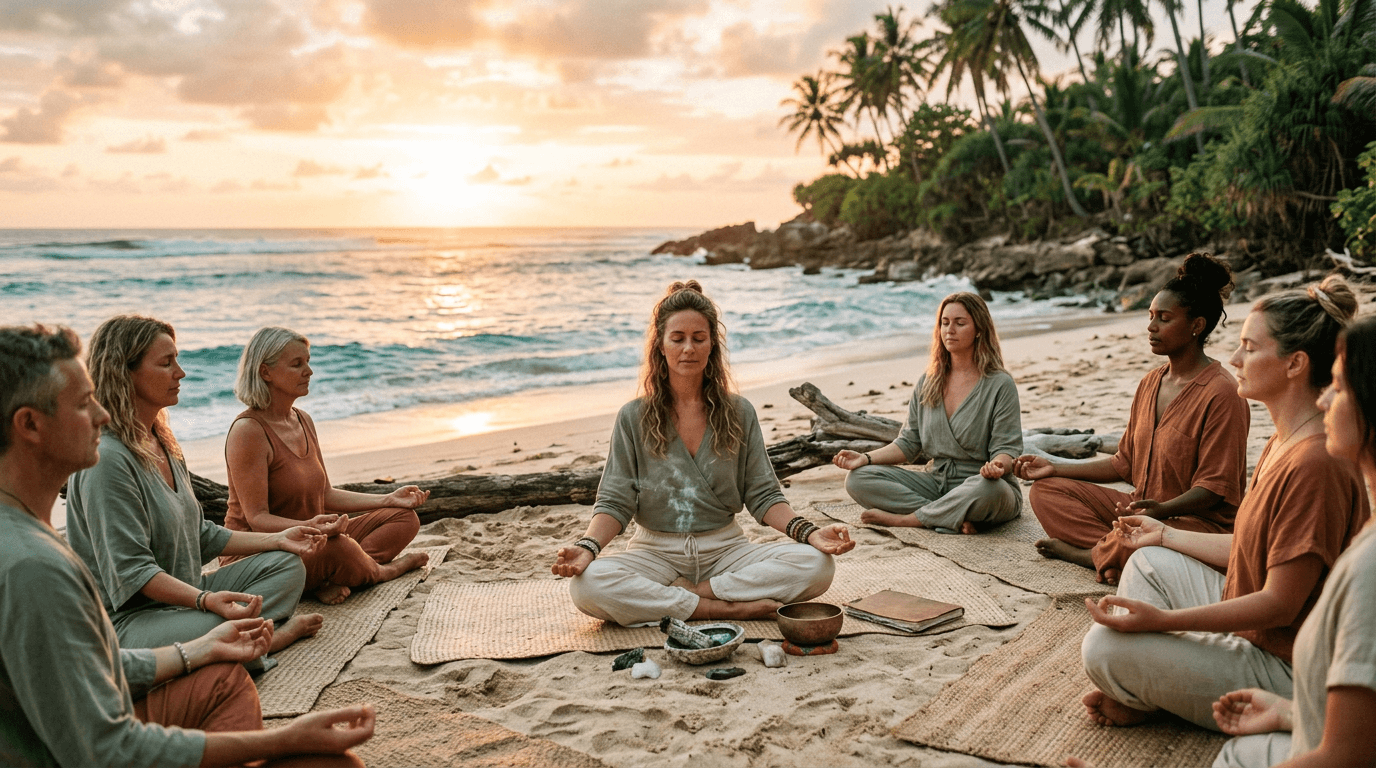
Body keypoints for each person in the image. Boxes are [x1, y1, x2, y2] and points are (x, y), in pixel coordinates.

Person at [0, 323, 373, 767]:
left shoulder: (156, 446)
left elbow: (85, 664)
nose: (99, 415)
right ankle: (258, 641)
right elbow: (105, 748)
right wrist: (282, 741)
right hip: (137, 619)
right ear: (30, 425)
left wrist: (198, 649)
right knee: (334, 763)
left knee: (227, 667)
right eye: (84, 405)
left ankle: (238, 641)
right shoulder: (33, 565)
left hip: (171, 617)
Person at [1076, 276, 1369, 732]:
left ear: (1295, 363)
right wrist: (1167, 534)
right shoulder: (1283, 440)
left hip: (1288, 667)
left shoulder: (1316, 464)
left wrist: (1164, 621)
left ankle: (1148, 688)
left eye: (1249, 348)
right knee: (1150, 560)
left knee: (1103, 650)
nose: (1233, 359)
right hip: (1255, 629)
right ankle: (1150, 684)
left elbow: (1280, 605)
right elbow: (1255, 546)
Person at [551, 281, 854, 626]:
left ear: (712, 345)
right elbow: (615, 501)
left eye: (699, 338)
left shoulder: (739, 412)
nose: (688, 348)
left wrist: (810, 533)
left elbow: (763, 494)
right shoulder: (633, 417)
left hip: (726, 550)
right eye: (677, 338)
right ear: (660, 346)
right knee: (587, 586)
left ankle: (696, 594)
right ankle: (717, 608)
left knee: (817, 565)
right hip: (654, 553)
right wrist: (588, 547)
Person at [66, 315, 324, 656]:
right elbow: (134, 572)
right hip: (130, 623)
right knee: (220, 630)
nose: (181, 373)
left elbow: (201, 534)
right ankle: (263, 639)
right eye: (166, 363)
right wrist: (205, 601)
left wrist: (279, 538)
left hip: (187, 594)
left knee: (286, 564)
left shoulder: (161, 439)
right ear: (123, 372)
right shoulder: (108, 459)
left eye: (177, 360)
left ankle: (244, 637)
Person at [1014, 254, 1249, 584]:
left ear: (1196, 325)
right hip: (1142, 509)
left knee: (1149, 537)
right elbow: (1123, 464)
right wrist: (1056, 467)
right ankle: (1119, 550)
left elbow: (1213, 490)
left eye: (1164, 318)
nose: (1151, 327)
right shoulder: (1150, 383)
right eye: (1151, 316)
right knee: (1045, 492)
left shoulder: (1222, 393)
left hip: (1194, 524)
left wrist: (1160, 512)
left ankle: (1095, 554)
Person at [1207, 314, 1376, 767]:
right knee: (1239, 751)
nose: (1324, 400)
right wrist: (1287, 712)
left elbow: (1348, 756)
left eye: (1338, 388)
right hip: (1293, 697)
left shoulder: (1370, 566)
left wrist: (1158, 622)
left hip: (1277, 660)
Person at [223, 327, 429, 605]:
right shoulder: (248, 431)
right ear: (265, 372)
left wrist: (388, 498)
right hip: (260, 555)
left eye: (308, 362)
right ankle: (382, 571)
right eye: (297, 364)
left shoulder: (302, 419)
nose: (308, 371)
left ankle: (334, 575)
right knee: (341, 547)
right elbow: (257, 519)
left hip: (315, 541)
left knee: (402, 518)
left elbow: (326, 495)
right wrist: (313, 528)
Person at [833, 291, 1022, 535]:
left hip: (981, 484)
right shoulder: (928, 381)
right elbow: (908, 443)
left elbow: (1006, 448)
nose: (949, 330)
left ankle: (909, 519)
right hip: (935, 482)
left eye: (959, 323)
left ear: (979, 329)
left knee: (990, 491)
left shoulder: (999, 384)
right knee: (858, 479)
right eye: (944, 323)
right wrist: (865, 458)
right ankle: (948, 515)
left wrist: (996, 467)